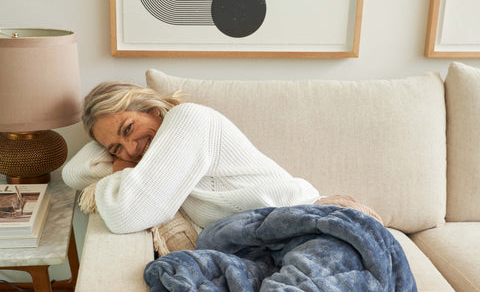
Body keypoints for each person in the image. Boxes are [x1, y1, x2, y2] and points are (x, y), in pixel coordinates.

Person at [62, 81, 382, 234]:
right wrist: (116, 154)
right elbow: (73, 173)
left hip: (306, 217)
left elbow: (126, 216)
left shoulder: (189, 119)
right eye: (116, 148)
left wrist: (119, 167)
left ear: (153, 109)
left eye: (129, 128)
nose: (130, 148)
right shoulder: (152, 164)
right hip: (265, 234)